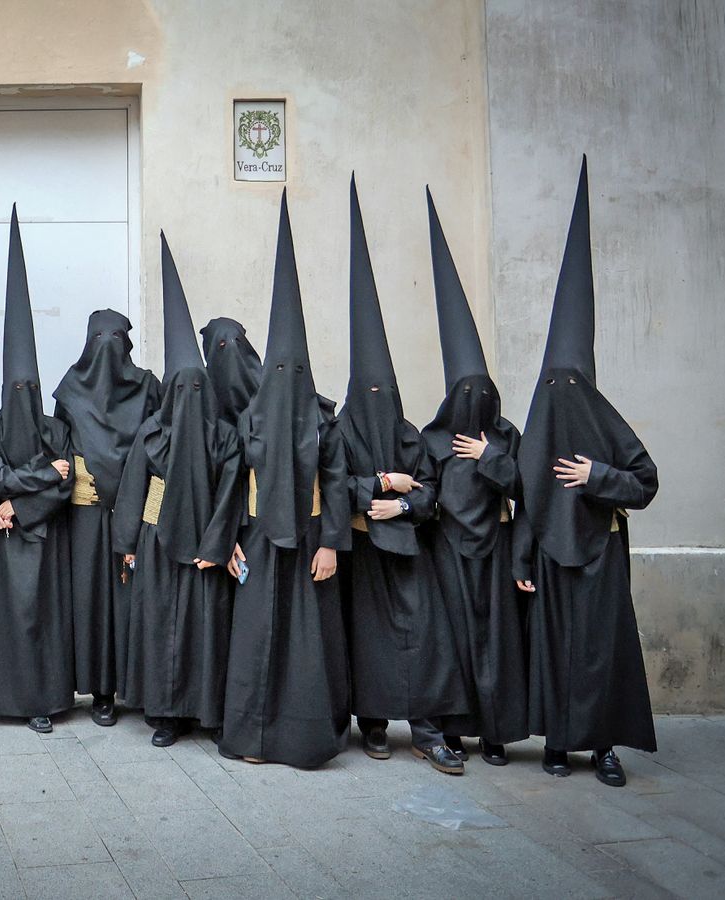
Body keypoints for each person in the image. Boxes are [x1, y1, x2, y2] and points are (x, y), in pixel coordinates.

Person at [514, 159, 659, 787]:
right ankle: (557, 742)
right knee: (551, 652)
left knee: (599, 653)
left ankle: (601, 746)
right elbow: (522, 495)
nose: (562, 395)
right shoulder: (542, 420)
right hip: (549, 555)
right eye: (554, 386)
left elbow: (645, 481)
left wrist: (597, 474)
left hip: (602, 554)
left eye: (571, 386)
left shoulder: (606, 426)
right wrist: (522, 560)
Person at [338, 178, 468, 775]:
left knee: (421, 638)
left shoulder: (411, 434)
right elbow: (331, 483)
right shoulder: (339, 433)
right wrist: (376, 493)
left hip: (408, 552)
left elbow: (436, 492)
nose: (379, 401)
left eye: (386, 393)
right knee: (366, 643)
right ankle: (370, 724)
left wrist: (409, 507)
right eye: (371, 394)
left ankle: (428, 728)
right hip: (363, 552)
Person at [219, 192, 351, 768]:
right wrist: (225, 542)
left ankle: (302, 741)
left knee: (305, 648)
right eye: (280, 370)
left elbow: (339, 480)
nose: (287, 379)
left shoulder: (324, 418)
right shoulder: (249, 421)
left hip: (308, 546)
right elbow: (229, 483)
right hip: (256, 542)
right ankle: (252, 739)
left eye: (296, 370)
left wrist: (330, 544)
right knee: (253, 645)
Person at [113, 234, 243, 748]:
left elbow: (232, 491)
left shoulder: (225, 438)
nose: (188, 397)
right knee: (161, 625)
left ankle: (205, 711)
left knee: (205, 630)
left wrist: (215, 546)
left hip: (206, 547)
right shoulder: (151, 434)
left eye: (197, 388)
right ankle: (164, 714)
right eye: (180, 388)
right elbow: (131, 490)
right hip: (156, 539)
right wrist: (126, 546)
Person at [421, 190, 528, 767]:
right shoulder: (434, 440)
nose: (474, 402)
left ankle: (496, 734)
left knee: (498, 647)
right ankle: (456, 728)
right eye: (465, 395)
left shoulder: (506, 437)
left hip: (495, 551)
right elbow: (429, 491)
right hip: (447, 555)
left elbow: (526, 489)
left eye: (481, 394)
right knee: (457, 645)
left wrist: (489, 456)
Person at [0, 208, 77, 733]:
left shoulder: (55, 428)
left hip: (42, 537)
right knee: (10, 624)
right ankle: (6, 699)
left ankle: (43, 700)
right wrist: (36, 479)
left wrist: (22, 499)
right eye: (18, 391)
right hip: (7, 540)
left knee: (43, 622)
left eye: (31, 391)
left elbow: (66, 487)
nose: (25, 399)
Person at [53, 309, 160, 726]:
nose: (107, 348)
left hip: (136, 510)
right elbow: (60, 446)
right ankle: (100, 690)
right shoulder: (70, 391)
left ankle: (139, 685)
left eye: (115, 338)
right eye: (100, 338)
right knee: (92, 599)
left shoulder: (149, 387)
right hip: (86, 512)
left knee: (133, 598)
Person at [200, 316, 261, 426]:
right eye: (222, 345)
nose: (232, 348)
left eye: (237, 342)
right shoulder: (199, 388)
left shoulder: (264, 384)